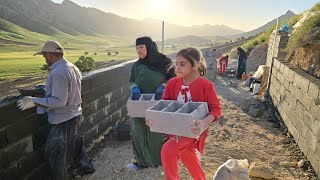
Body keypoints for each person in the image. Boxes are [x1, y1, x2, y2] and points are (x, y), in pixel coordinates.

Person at [17, 40, 95, 179]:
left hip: (62, 121)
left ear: (51, 55)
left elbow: (59, 101)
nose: (44, 59)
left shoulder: (58, 72)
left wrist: (34, 101)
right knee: (76, 147)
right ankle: (87, 167)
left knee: (56, 156)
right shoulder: (72, 67)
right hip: (76, 115)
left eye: (44, 56)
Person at [147, 47, 222, 179]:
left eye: (182, 64)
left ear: (194, 65)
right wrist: (154, 119)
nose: (177, 68)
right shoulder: (172, 83)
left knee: (168, 150)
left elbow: (216, 109)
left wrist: (203, 122)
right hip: (175, 129)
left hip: (193, 130)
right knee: (187, 156)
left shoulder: (206, 85)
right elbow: (164, 106)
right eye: (176, 64)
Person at [128, 36, 175, 171]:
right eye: (136, 48)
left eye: (141, 47)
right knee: (138, 130)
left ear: (149, 47)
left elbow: (174, 78)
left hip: (157, 102)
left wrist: (164, 85)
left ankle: (157, 161)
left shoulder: (164, 62)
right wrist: (133, 87)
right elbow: (131, 81)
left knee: (155, 131)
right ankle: (141, 161)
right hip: (139, 104)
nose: (138, 50)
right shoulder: (137, 65)